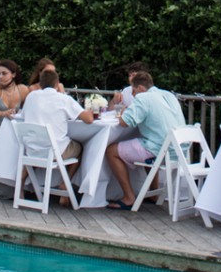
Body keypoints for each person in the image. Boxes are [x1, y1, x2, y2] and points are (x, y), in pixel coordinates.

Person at [104, 70, 184, 210]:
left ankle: (129, 197)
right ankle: (153, 194)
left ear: (140, 88)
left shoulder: (144, 98)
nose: (133, 95)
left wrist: (122, 111)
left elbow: (124, 122)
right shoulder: (168, 95)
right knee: (143, 142)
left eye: (134, 91)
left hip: (160, 150)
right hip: (179, 150)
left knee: (111, 151)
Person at [21, 69, 95, 180]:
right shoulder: (64, 99)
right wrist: (89, 111)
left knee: (40, 145)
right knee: (80, 147)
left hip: (31, 150)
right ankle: (65, 185)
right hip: (54, 152)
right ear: (57, 83)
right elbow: (89, 120)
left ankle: (21, 184)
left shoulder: (31, 96)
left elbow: (23, 116)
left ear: (40, 83)